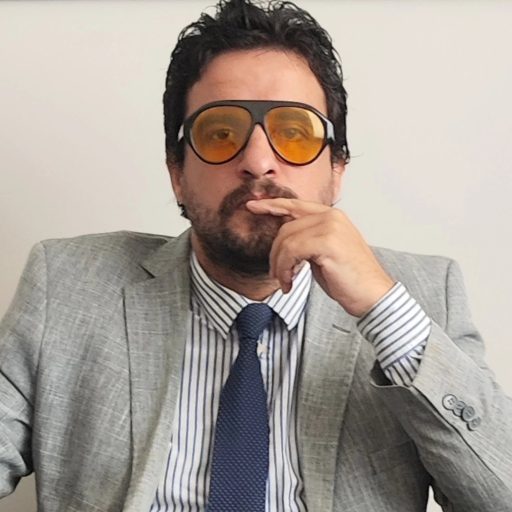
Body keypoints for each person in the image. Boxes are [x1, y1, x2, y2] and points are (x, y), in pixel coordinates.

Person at [0, 0, 511, 510]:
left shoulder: (423, 297)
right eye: (221, 133)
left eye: (295, 132)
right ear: (177, 173)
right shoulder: (67, 286)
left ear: (337, 171)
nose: (259, 161)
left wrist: (385, 312)